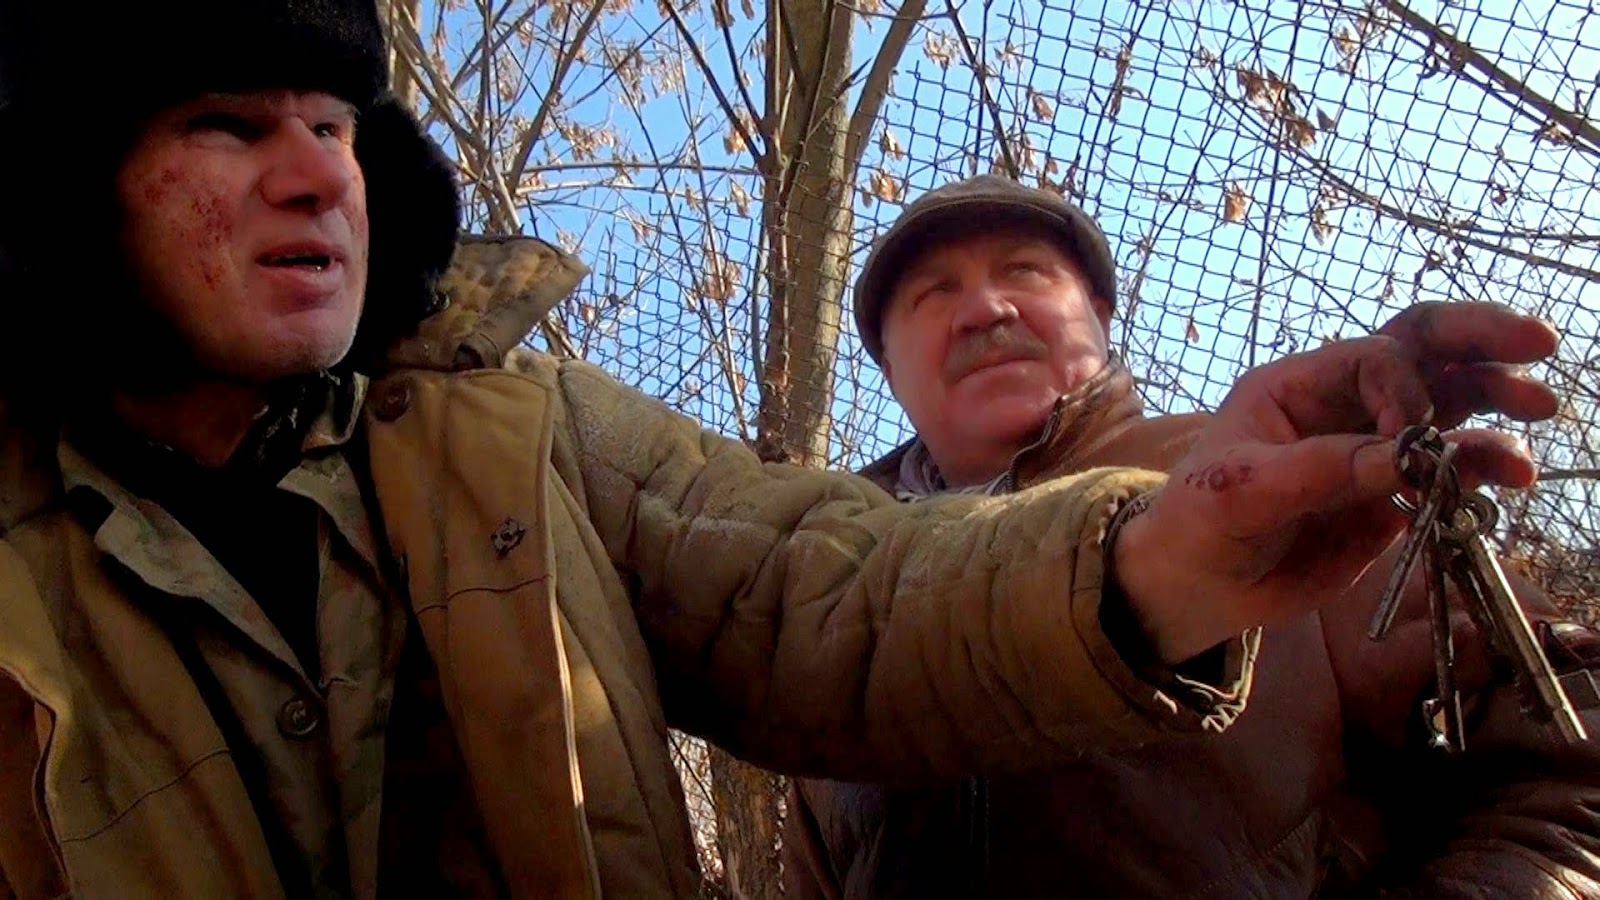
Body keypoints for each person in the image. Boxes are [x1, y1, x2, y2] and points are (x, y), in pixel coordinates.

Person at [0, 4, 1571, 897]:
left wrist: (1159, 561)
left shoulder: (1293, 489)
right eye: (228, 126)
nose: (314, 175)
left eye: (339, 129)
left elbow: (837, 597)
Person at [781, 174, 1600, 898]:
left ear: (1100, 316)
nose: (986, 310)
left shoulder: (1285, 471)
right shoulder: (826, 613)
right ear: (888, 368)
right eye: (933, 294)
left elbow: (1571, 776)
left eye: (1024, 272)